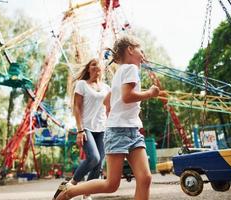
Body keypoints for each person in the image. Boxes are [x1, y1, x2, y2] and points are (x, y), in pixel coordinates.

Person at [54, 36, 166, 200]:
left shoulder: (119, 73)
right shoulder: (131, 69)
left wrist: (112, 114)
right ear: (130, 49)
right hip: (119, 131)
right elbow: (127, 97)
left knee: (145, 178)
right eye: (140, 50)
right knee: (111, 184)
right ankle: (69, 191)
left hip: (130, 130)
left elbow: (108, 100)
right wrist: (150, 93)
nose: (143, 54)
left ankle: (70, 189)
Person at [53, 58, 110, 200]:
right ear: (88, 68)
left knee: (99, 164)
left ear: (102, 69)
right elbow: (77, 108)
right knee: (94, 158)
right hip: (86, 128)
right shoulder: (82, 84)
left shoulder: (107, 88)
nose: (96, 66)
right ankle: (71, 184)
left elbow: (110, 109)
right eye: (93, 64)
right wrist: (80, 130)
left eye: (98, 64)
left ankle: (87, 194)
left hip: (102, 128)